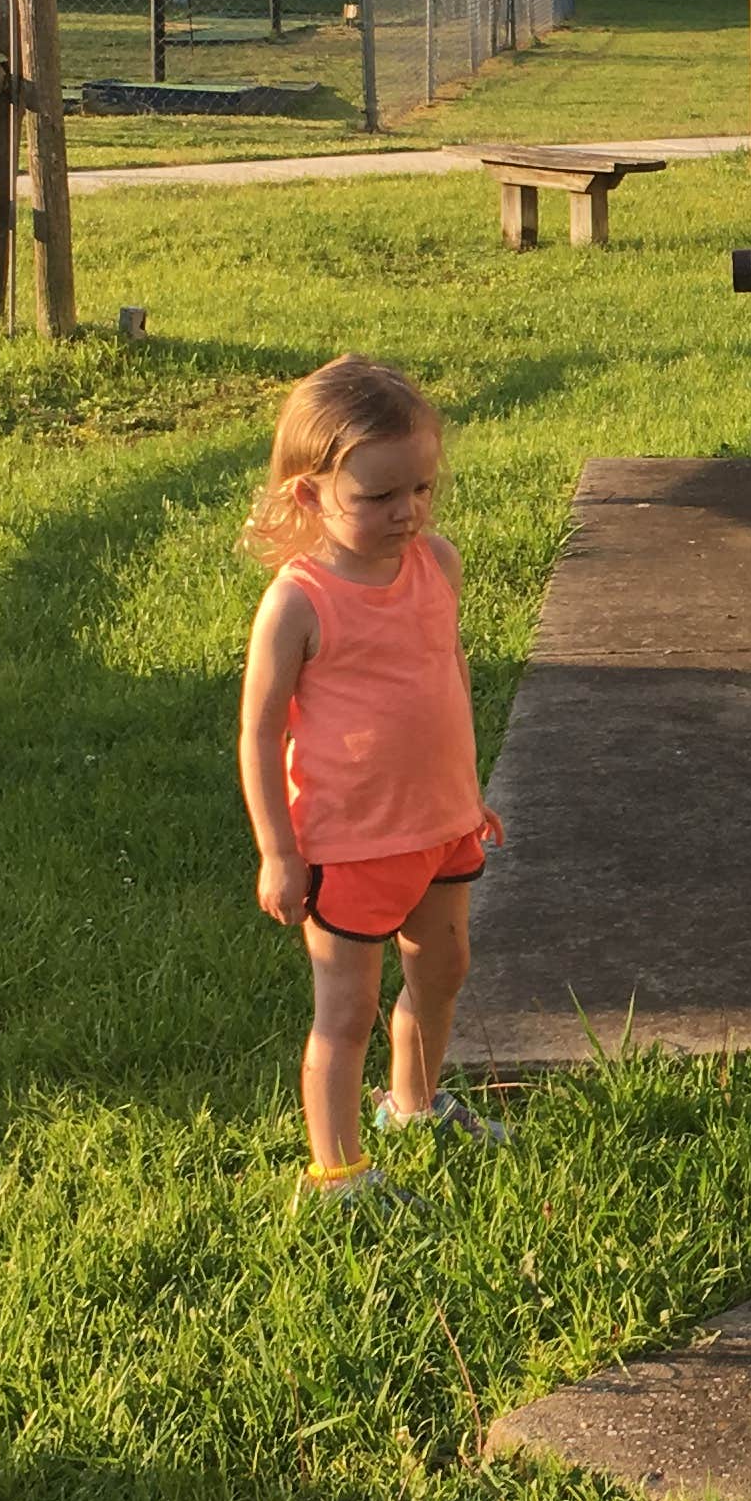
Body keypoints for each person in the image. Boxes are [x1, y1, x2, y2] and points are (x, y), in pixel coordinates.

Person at [238, 354, 505, 1196]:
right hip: (350, 844)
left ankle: (415, 1104)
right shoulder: (300, 601)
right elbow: (257, 731)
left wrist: (466, 794)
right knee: (345, 1011)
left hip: (442, 826)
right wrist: (278, 852)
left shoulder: (439, 566)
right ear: (310, 495)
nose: (408, 512)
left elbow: (450, 678)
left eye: (421, 489)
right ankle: (339, 1170)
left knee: (443, 970)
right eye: (379, 497)